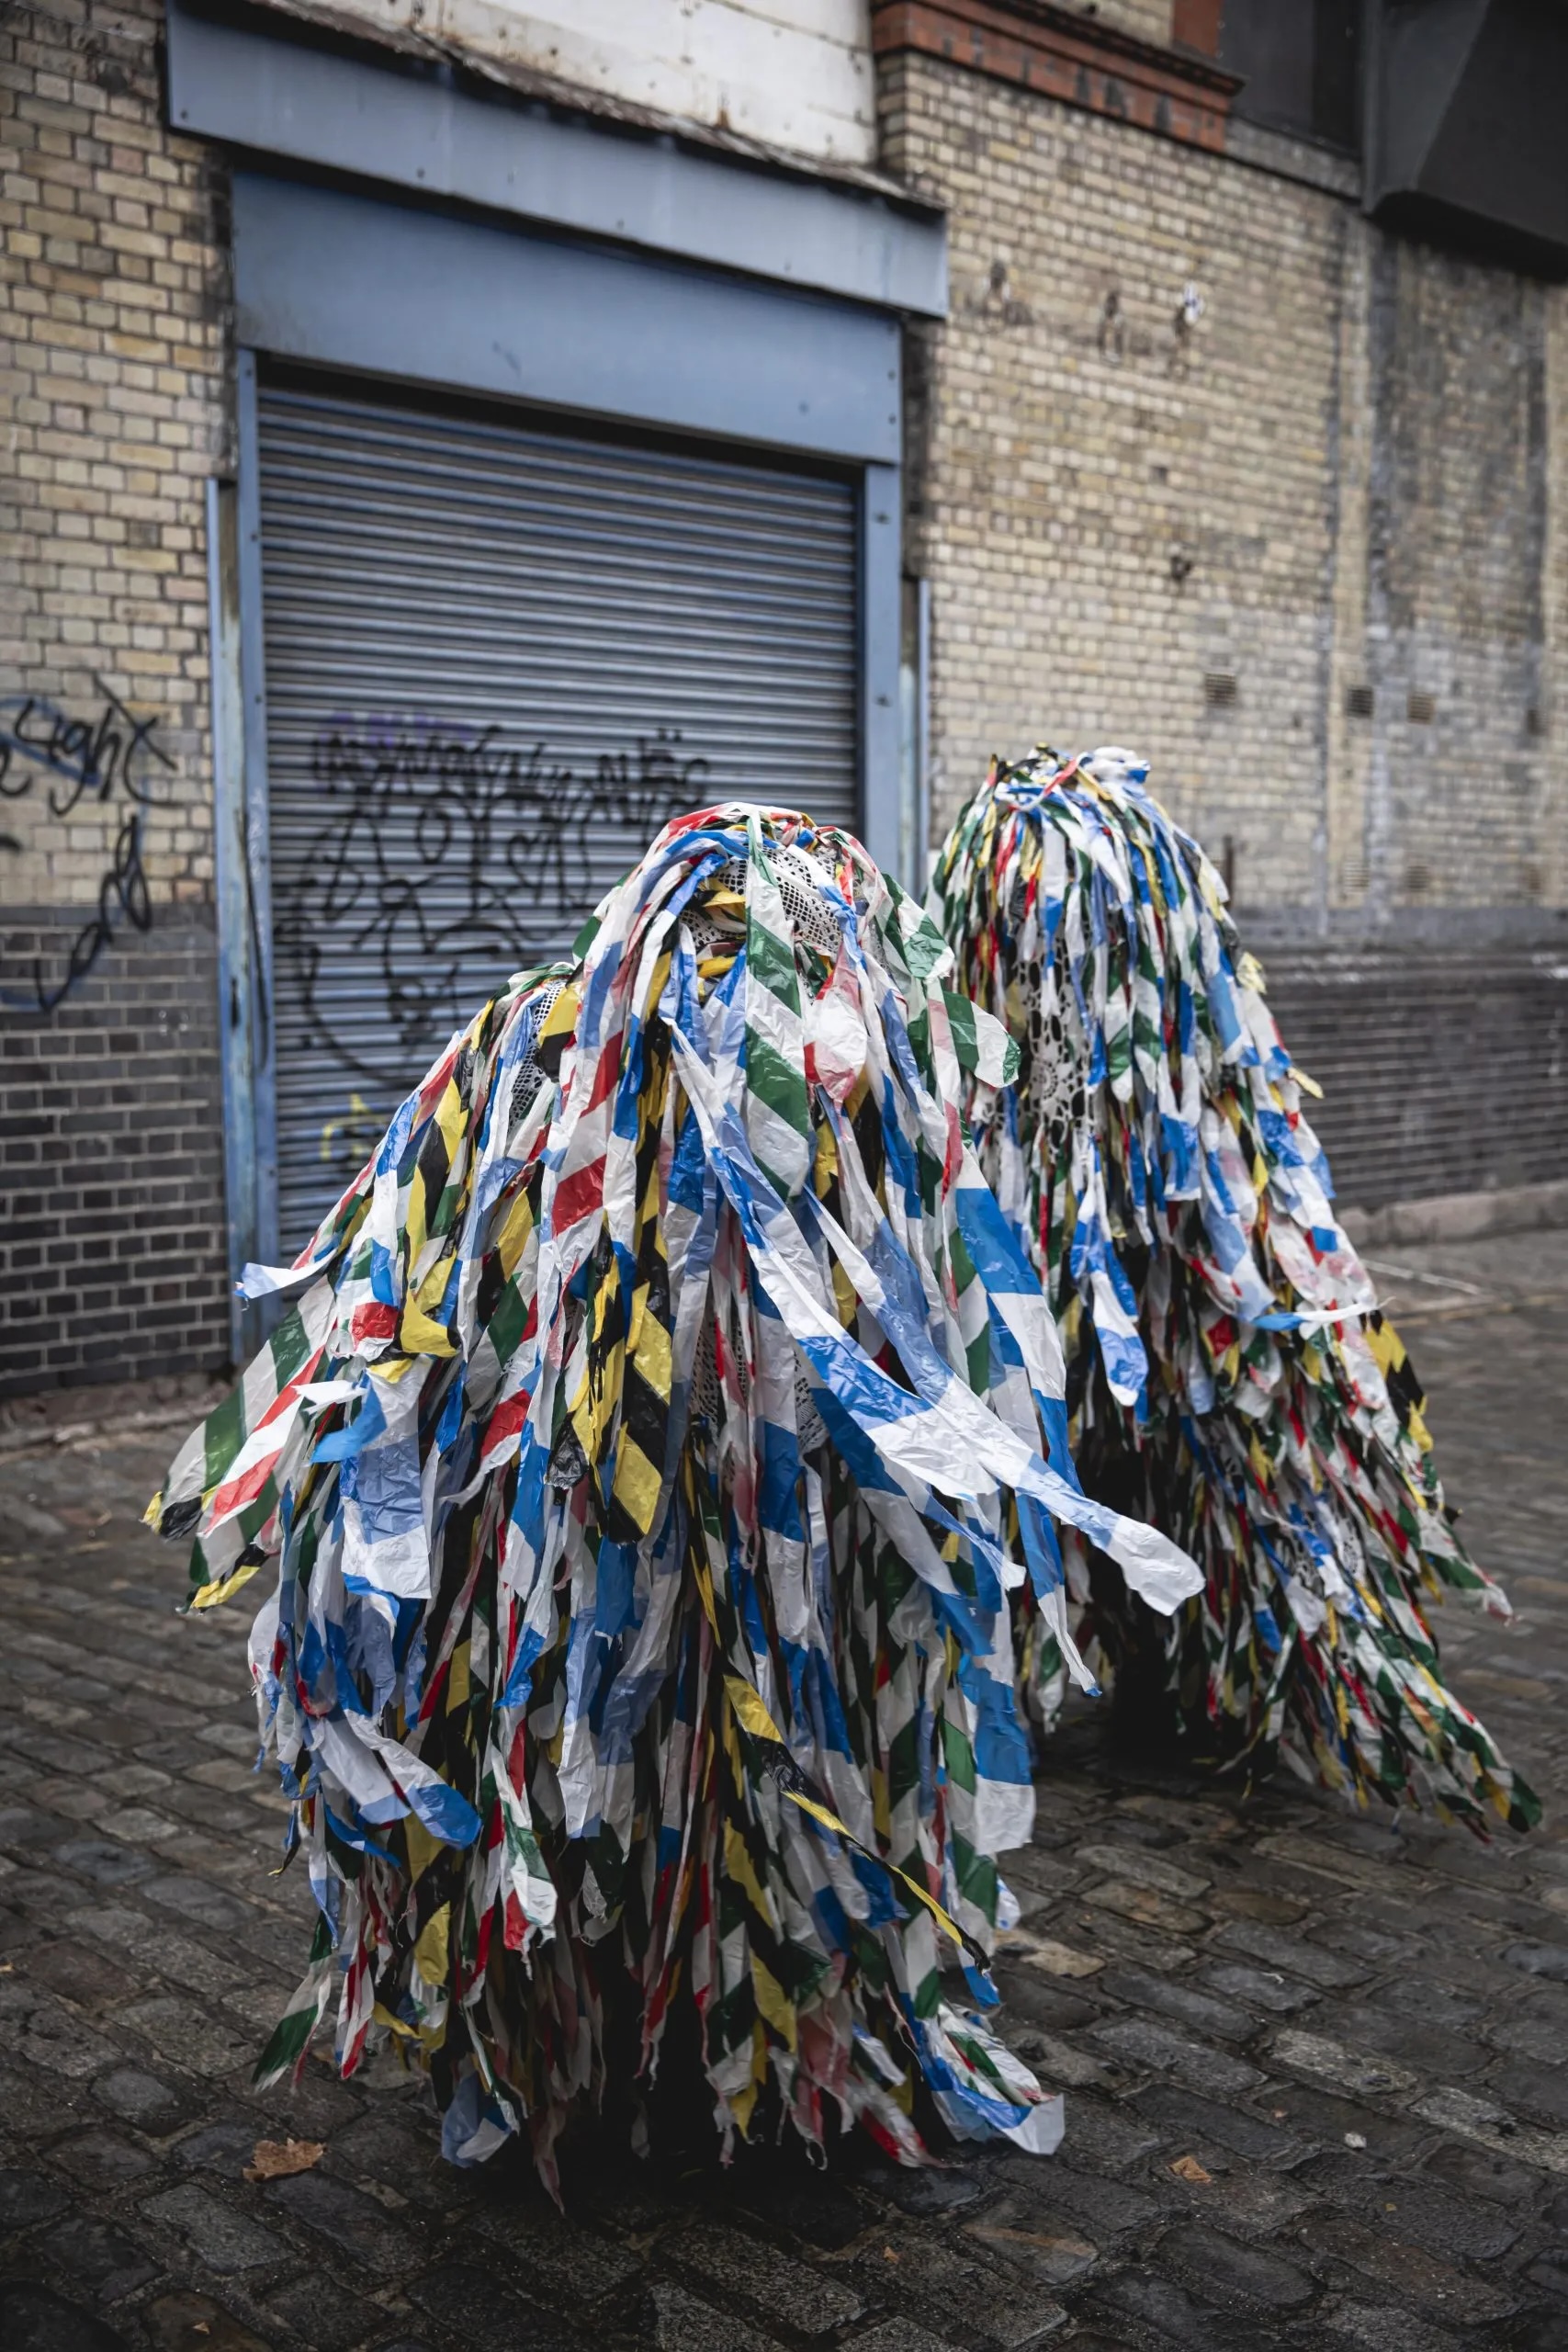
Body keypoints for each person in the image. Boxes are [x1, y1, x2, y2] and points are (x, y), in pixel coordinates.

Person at [149, 802, 1201, 2189]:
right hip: (583, 1538)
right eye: (726, 947)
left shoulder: (863, 1096)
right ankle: (596, 2040)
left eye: (786, 957)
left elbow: (919, 1339)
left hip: (787, 1557)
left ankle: (717, 2042)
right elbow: (420, 1326)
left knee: (753, 1771)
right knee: (599, 1759)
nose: (755, 981)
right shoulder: (548, 1066)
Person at [932, 746, 1535, 1835]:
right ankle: (1034, 1677)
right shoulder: (986, 1061)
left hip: (1185, 1268)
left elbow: (1206, 1130)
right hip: (1050, 1260)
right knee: (1043, 1446)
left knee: (1202, 1453)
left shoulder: (1191, 1081)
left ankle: (1203, 1665)